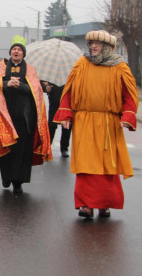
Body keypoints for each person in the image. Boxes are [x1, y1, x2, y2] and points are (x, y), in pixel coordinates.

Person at [53, 30, 138, 219]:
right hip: (84, 121)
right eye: (91, 43)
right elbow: (69, 90)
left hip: (109, 123)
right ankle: (86, 205)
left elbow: (130, 95)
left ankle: (104, 204)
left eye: (97, 44)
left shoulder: (120, 66)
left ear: (107, 47)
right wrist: (66, 114)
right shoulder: (82, 64)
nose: (93, 47)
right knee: (85, 164)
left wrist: (128, 116)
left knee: (107, 166)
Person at [0, 35, 52, 193]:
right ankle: (6, 177)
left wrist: (20, 85)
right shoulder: (1, 67)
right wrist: (6, 84)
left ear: (23, 53)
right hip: (4, 116)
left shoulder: (30, 69)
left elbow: (36, 90)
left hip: (24, 118)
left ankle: (18, 181)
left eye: (19, 49)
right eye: (14, 49)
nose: (16, 52)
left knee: (22, 150)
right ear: (10, 51)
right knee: (7, 148)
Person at [42, 82, 71, 157]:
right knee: (51, 126)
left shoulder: (72, 73)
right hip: (54, 102)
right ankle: (47, 147)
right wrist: (46, 88)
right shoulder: (51, 72)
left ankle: (64, 149)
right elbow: (41, 83)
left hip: (67, 102)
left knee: (66, 127)